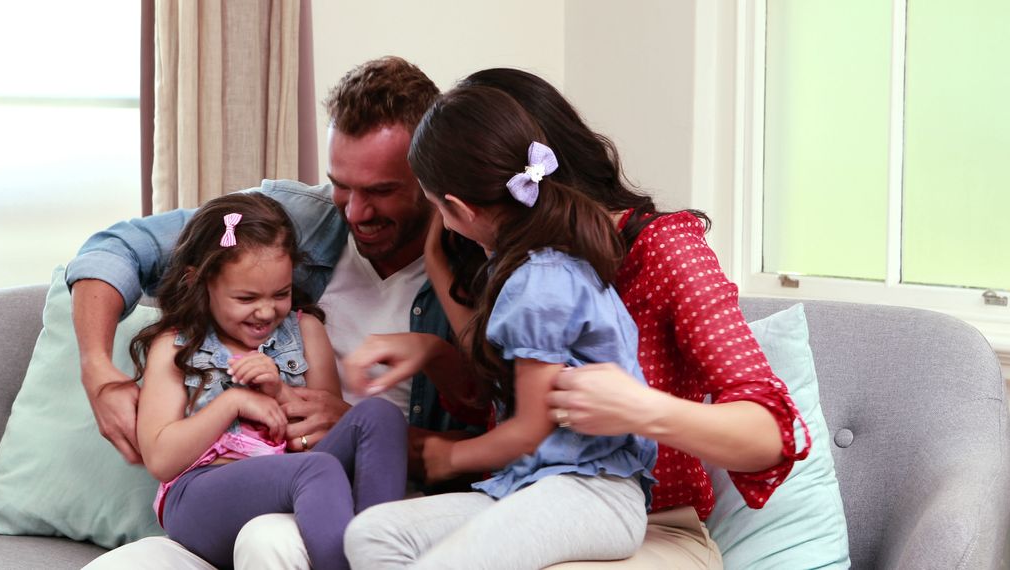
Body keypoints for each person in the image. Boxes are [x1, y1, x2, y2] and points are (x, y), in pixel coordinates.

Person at [345, 68, 810, 569]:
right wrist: (435, 342)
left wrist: (640, 408)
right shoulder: (509, 257)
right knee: (373, 538)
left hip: (652, 524)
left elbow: (774, 434)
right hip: (525, 493)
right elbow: (516, 410)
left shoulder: (661, 249)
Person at [72, 56, 484, 569]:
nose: (354, 212)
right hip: (244, 484)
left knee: (371, 423)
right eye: (342, 185)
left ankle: (376, 543)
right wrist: (96, 366)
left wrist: (289, 398)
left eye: (380, 191)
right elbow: (117, 248)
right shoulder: (277, 226)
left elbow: (496, 426)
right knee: (299, 495)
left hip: (346, 474)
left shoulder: (474, 260)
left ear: (428, 178)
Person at [342, 85, 659, 569]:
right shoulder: (519, 262)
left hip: (594, 494)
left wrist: (451, 457)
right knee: (372, 535)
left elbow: (530, 429)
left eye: (439, 211)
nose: (443, 226)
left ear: (461, 209)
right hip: (533, 485)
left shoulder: (539, 282)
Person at [132, 192, 406, 569]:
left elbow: (322, 434)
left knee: (380, 416)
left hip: (292, 475)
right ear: (199, 282)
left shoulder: (305, 331)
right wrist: (234, 402)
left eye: (281, 293)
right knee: (317, 471)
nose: (266, 311)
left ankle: (378, 551)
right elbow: (162, 459)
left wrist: (281, 393)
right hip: (200, 497)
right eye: (246, 298)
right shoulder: (176, 345)